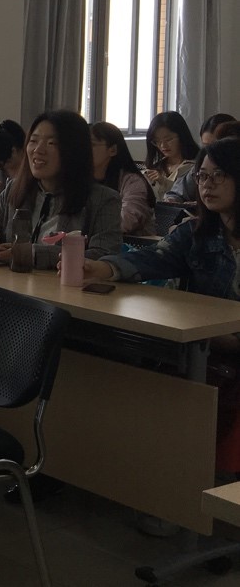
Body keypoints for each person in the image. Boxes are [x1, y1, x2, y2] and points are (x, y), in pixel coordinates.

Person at [80, 137, 240, 471]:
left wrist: (229, 340)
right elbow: (153, 258)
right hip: (203, 344)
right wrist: (104, 268)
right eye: (202, 176)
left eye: (219, 175)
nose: (207, 185)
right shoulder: (195, 233)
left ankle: (192, 482)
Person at [0, 110, 122, 268]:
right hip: (9, 281)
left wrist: (30, 254)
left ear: (75, 150)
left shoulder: (103, 199)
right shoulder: (15, 188)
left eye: (51, 143)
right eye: (33, 141)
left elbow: (103, 254)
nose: (38, 150)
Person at [90, 121, 156, 236]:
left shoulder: (132, 181)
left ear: (112, 150)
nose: (84, 150)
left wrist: (87, 227)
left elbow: (128, 219)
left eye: (91, 145)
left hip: (131, 244)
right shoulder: (81, 179)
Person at [144, 111, 200, 202]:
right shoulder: (157, 166)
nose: (163, 145)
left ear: (182, 136)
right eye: (157, 141)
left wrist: (164, 182)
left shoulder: (194, 166)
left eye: (169, 139)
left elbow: (186, 193)